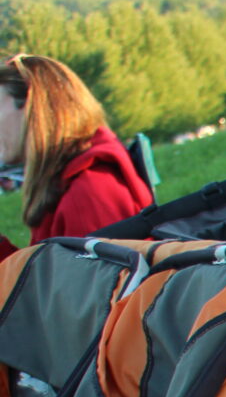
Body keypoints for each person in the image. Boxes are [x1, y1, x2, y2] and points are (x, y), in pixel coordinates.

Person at [0, 55, 150, 264]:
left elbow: (96, 282)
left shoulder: (91, 189)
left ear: (32, 108)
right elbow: (42, 275)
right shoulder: (61, 182)